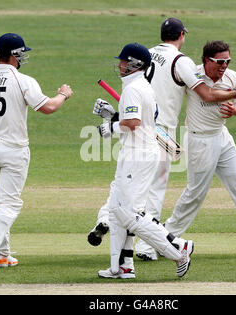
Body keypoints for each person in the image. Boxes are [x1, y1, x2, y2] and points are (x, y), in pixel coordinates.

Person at [88, 18, 236, 261]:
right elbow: (206, 93)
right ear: (182, 35)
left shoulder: (145, 53)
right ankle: (149, 247)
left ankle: (105, 219)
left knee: (124, 183)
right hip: (158, 131)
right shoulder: (181, 61)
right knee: (153, 192)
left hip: (135, 121)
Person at [0, 33, 73, 272]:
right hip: (14, 150)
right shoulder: (23, 80)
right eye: (21, 53)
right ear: (14, 55)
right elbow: (48, 107)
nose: (23, 58)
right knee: (10, 205)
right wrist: (63, 94)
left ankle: (3, 255)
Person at [163, 40, 236, 250]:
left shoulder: (231, 76)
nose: (224, 66)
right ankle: (165, 237)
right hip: (199, 140)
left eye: (227, 61)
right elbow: (208, 96)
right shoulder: (194, 75)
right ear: (207, 60)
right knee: (195, 194)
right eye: (220, 62)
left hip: (222, 137)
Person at [95, 43, 194, 279]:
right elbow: (135, 118)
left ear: (134, 65)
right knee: (116, 210)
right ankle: (121, 267)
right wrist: (116, 116)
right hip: (138, 152)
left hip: (137, 155)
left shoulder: (133, 89)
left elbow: (132, 123)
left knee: (130, 214)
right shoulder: (141, 86)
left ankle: (178, 249)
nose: (119, 65)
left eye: (123, 61)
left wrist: (109, 127)